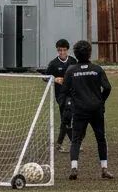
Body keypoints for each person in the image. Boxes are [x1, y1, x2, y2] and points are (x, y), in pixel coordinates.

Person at [64, 39, 114, 180]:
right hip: (96, 109)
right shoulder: (97, 69)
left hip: (79, 109)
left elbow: (65, 91)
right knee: (100, 138)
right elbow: (108, 88)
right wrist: (101, 100)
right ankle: (104, 169)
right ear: (90, 53)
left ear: (75, 54)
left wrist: (71, 104)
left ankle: (74, 168)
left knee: (76, 139)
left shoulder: (71, 70)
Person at [41, 38, 77, 152]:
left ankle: (60, 144)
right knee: (67, 117)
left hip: (73, 94)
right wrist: (55, 79)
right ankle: (72, 143)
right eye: (60, 50)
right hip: (61, 95)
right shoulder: (53, 63)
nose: (62, 53)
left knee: (66, 119)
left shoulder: (73, 61)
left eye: (64, 50)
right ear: (57, 51)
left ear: (67, 50)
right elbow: (45, 77)